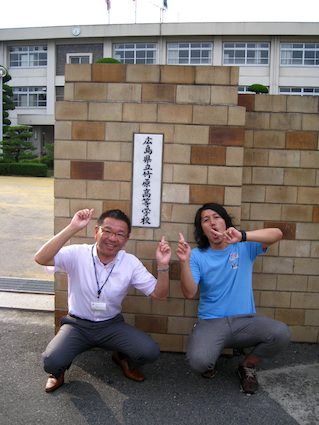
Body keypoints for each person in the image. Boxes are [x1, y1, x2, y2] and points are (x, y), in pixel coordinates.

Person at [35, 208, 171, 393]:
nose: (112, 238)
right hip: (77, 325)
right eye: (107, 231)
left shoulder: (130, 262)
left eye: (119, 234)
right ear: (96, 231)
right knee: (51, 360)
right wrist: (73, 227)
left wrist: (163, 266)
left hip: (111, 325)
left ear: (126, 239)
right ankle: (57, 373)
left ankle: (122, 358)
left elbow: (159, 294)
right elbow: (41, 258)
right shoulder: (77, 254)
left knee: (150, 351)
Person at [176, 202, 291, 395]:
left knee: (281, 333)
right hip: (211, 322)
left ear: (225, 223)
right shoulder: (196, 255)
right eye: (206, 220)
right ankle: (210, 357)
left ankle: (248, 365)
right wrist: (184, 262)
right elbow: (189, 293)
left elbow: (277, 234)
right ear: (202, 230)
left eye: (216, 217)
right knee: (199, 362)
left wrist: (243, 236)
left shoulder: (244, 247)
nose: (212, 222)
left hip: (245, 321)